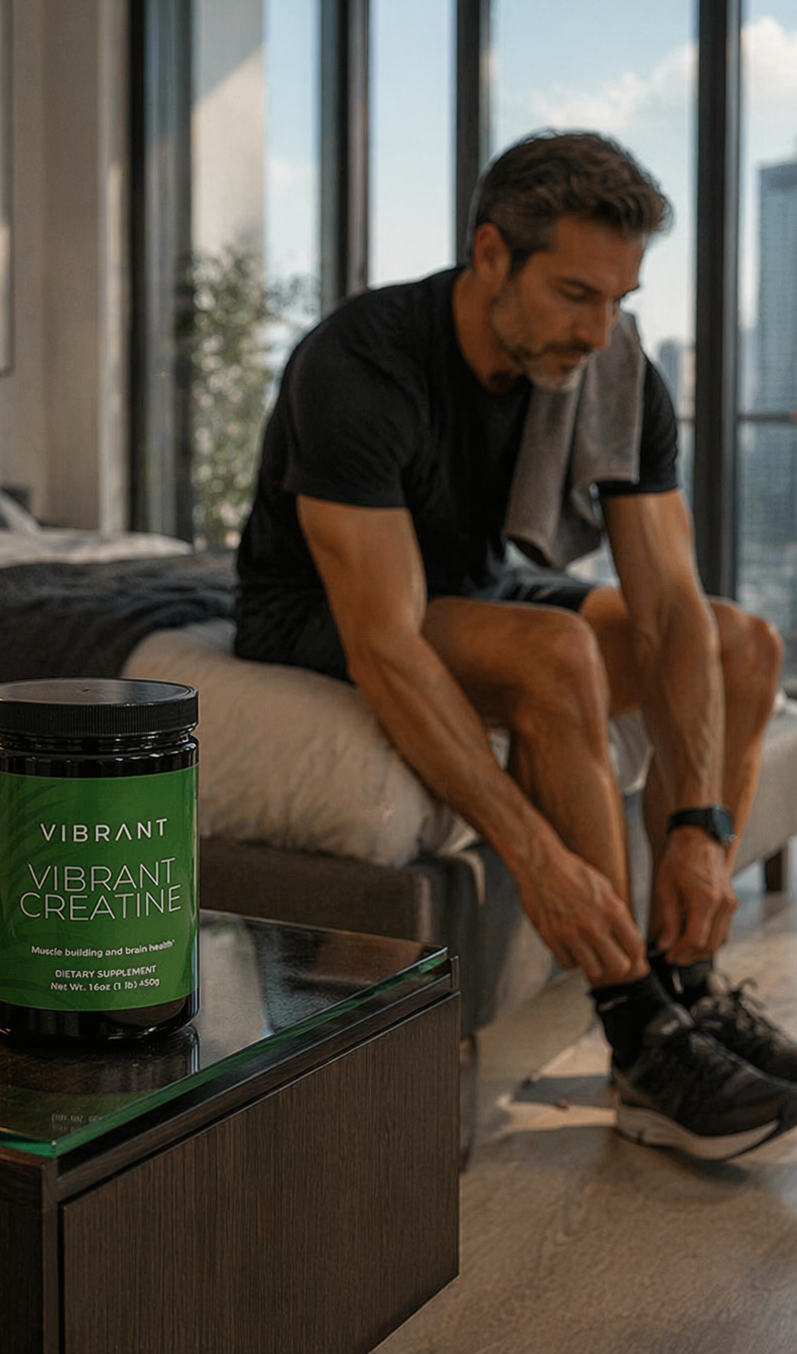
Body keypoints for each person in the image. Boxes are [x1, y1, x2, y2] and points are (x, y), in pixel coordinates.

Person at [235, 129, 797, 1161]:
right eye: (575, 293)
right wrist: (536, 858)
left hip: (477, 582)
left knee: (745, 642)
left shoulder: (610, 365)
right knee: (556, 654)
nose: (599, 329)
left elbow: (670, 608)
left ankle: (685, 988)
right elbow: (385, 644)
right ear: (490, 253)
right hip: (318, 605)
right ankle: (636, 1030)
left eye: (618, 299)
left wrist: (698, 828)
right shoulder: (361, 360)